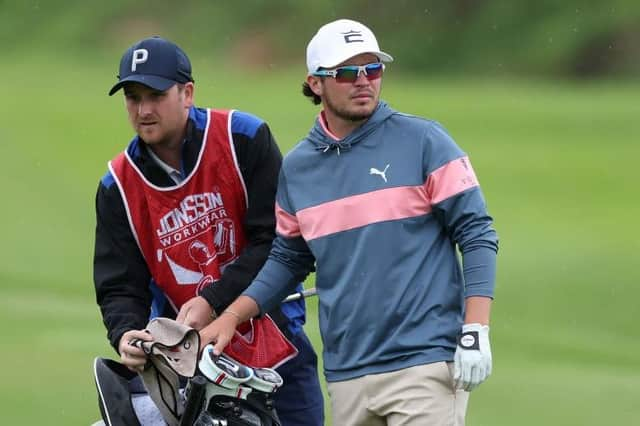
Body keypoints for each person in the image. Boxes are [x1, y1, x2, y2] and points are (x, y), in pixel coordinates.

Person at [197, 19, 499, 425]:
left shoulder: (424, 141)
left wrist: (475, 329)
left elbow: (477, 232)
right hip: (348, 375)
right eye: (346, 72)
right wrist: (231, 317)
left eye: (372, 69)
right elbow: (289, 259)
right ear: (315, 83)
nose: (363, 81)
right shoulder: (299, 168)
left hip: (425, 365)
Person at [93, 35, 324, 425]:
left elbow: (277, 241)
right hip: (191, 366)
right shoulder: (117, 185)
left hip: (277, 345)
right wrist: (126, 334)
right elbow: (120, 284)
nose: (144, 109)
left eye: (155, 95)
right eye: (133, 97)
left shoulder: (242, 137)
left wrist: (214, 299)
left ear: (187, 93)